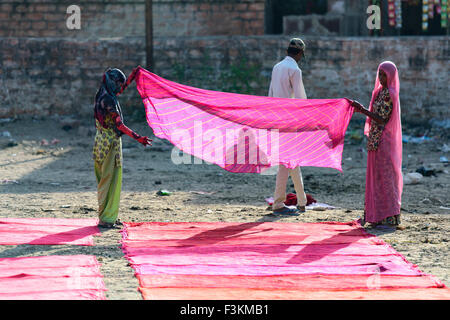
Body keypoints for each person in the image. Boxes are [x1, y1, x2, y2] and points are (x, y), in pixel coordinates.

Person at [93, 68, 152, 228]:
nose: (120, 87)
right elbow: (119, 125)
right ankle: (106, 218)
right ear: (112, 82)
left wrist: (134, 74)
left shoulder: (102, 94)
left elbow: (122, 89)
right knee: (110, 180)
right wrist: (138, 138)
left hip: (101, 141)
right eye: (118, 83)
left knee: (106, 179)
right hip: (110, 144)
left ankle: (108, 216)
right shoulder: (109, 100)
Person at [350, 61, 404, 229]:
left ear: (391, 76)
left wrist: (362, 110)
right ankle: (377, 215)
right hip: (375, 139)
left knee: (387, 177)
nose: (381, 78)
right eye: (379, 74)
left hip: (384, 141)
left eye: (384, 75)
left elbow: (382, 119)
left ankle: (390, 217)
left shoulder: (390, 94)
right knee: (377, 178)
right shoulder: (380, 92)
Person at [268, 38, 308, 215]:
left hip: (277, 118)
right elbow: (300, 99)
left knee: (291, 161)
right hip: (290, 121)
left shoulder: (277, 67)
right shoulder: (295, 70)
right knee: (287, 162)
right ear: (299, 54)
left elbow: (270, 94)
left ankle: (301, 201)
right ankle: (279, 202)